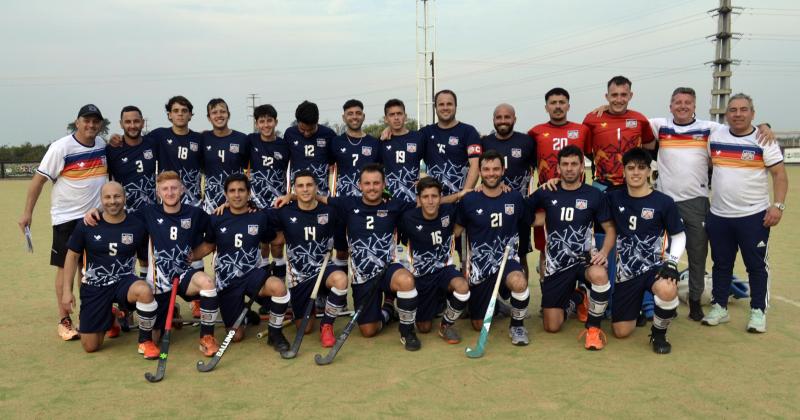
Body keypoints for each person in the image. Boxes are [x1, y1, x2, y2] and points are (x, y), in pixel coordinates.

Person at [647, 87, 774, 321]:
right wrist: (604, 111)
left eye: (688, 102)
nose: (682, 106)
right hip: (664, 201)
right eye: (678, 102)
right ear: (670, 105)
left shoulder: (710, 129)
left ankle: (695, 301)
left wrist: (765, 126)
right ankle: (664, 300)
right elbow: (630, 121)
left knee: (698, 254)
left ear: (695, 106)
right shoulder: (660, 126)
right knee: (661, 254)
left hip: (696, 202)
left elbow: (742, 127)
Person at [279, 163, 421, 350]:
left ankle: (407, 331)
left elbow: (426, 203)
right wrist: (292, 196)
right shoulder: (347, 204)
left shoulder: (395, 205)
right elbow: (316, 197)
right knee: (369, 330)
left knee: (406, 280)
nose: (372, 187)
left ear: (384, 184)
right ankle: (387, 310)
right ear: (359, 185)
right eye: (367, 183)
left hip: (387, 268)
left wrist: (459, 194)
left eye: (376, 183)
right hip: (362, 276)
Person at [85, 171, 221, 356]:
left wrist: (196, 255)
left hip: (183, 275)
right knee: (155, 337)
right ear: (158, 192)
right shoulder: (147, 213)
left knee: (207, 283)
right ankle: (165, 315)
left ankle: (206, 338)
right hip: (159, 282)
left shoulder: (195, 213)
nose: (170, 192)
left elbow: (213, 237)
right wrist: (97, 210)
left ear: (182, 189)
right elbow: (118, 214)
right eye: (165, 189)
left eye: (174, 188)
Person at [19, 104, 108, 340]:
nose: (90, 125)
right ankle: (64, 320)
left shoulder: (101, 145)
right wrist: (27, 213)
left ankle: (88, 317)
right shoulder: (61, 148)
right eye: (86, 121)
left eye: (95, 121)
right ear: (77, 122)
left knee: (88, 270)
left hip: (95, 217)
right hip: (67, 218)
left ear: (100, 124)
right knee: (66, 268)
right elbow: (37, 183)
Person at [701, 93, 788, 333]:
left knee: (756, 266)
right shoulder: (715, 136)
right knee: (721, 264)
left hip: (753, 216)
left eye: (743, 109)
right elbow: (710, 164)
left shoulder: (763, 139)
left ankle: (758, 312)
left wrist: (778, 206)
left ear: (752, 113)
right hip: (719, 215)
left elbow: (780, 175)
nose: (738, 114)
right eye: (733, 110)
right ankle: (719, 307)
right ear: (726, 114)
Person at [527, 146, 615, 350]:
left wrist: (604, 252)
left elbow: (610, 229)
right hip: (557, 264)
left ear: (581, 167)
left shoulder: (594, 195)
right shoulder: (547, 192)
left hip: (583, 260)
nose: (569, 168)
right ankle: (577, 298)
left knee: (600, 275)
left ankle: (593, 329)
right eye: (565, 164)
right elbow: (526, 213)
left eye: (574, 164)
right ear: (558, 167)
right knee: (551, 326)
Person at [191, 174, 290, 350]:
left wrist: (297, 233)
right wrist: (187, 257)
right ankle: (245, 314)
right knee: (236, 336)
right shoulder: (216, 218)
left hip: (253, 275)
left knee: (279, 288)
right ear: (226, 194)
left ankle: (275, 334)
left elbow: (275, 239)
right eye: (232, 191)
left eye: (241, 190)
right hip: (227, 281)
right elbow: (208, 246)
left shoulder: (259, 217)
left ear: (249, 193)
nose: (237, 195)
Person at [61, 182, 159, 358]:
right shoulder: (87, 223)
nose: (112, 201)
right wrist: (67, 291)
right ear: (101, 200)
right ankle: (110, 316)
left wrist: (151, 285)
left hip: (124, 282)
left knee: (144, 291)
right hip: (95, 286)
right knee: (91, 346)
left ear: (125, 198)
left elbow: (146, 258)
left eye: (117, 196)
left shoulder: (137, 224)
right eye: (107, 197)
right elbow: (72, 256)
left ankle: (145, 341)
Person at [606, 148, 685, 354]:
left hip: (654, 268)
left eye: (641, 168)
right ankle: (637, 310)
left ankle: (659, 334)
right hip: (627, 273)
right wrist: (552, 185)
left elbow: (678, 235)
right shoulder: (613, 198)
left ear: (649, 171)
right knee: (621, 331)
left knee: (667, 289)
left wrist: (672, 262)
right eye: (630, 168)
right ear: (623, 171)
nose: (635, 173)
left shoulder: (663, 201)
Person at [454, 150, 531, 346]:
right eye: (486, 169)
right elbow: (455, 231)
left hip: (506, 259)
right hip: (480, 266)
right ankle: (495, 304)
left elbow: (529, 221)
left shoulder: (514, 197)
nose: (491, 173)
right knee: (478, 324)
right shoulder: (469, 200)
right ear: (479, 171)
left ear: (503, 170)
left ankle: (517, 326)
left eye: (496, 169)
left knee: (519, 282)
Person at [269, 170, 348, 347]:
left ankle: (327, 325)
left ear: (316, 188)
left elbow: (353, 207)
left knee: (341, 279)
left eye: (309, 185)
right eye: (300, 186)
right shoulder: (284, 212)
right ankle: (308, 309)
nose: (305, 190)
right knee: (304, 328)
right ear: (294, 189)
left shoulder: (330, 212)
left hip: (323, 270)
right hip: (300, 277)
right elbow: (256, 217)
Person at [528, 88, 592, 282]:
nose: (557, 106)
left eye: (562, 102)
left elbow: (591, 155)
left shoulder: (582, 130)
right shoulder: (536, 132)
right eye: (553, 103)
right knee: (546, 246)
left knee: (578, 244)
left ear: (568, 106)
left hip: (577, 198)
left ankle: (578, 294)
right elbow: (530, 163)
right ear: (546, 107)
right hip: (547, 198)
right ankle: (547, 289)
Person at [399, 177, 470, 343]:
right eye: (425, 197)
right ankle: (433, 301)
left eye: (434, 196)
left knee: (462, 287)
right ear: (418, 199)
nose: (430, 201)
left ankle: (446, 325)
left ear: (441, 198)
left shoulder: (449, 211)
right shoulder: (408, 218)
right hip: (421, 275)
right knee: (423, 328)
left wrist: (463, 193)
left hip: (443, 269)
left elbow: (473, 201)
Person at [482, 103, 536, 270]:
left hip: (519, 209)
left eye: (507, 117)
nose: (503, 120)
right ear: (493, 120)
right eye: (499, 117)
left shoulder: (527, 141)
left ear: (514, 119)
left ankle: (521, 296)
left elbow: (537, 169)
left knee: (520, 256)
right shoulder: (485, 142)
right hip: (491, 207)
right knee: (491, 253)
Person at [106, 105, 158, 277]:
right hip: (124, 213)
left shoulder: (152, 142)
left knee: (146, 256)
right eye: (127, 122)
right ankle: (123, 297)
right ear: (121, 124)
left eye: (136, 121)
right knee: (124, 255)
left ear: (142, 123)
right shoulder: (112, 149)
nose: (132, 125)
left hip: (150, 212)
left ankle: (147, 294)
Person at [422, 89, 482, 196]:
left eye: (449, 104)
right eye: (441, 104)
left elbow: (475, 164)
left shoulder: (468, 131)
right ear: (435, 108)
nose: (445, 108)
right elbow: (405, 141)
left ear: (456, 106)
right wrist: (390, 129)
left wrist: (464, 194)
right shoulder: (426, 132)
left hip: (459, 200)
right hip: (433, 202)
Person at [147, 96, 205, 207]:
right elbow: (137, 142)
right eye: (176, 111)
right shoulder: (159, 135)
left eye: (184, 111)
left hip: (193, 200)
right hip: (168, 198)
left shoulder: (200, 139)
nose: (180, 114)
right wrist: (118, 139)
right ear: (169, 115)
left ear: (190, 115)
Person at [201, 98, 250, 214]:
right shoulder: (202, 139)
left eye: (222, 111)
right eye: (214, 112)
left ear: (228, 115)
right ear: (209, 117)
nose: (219, 115)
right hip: (211, 201)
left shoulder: (242, 139)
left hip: (237, 200)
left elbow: (249, 170)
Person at [284, 100, 337, 196]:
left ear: (317, 120)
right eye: (302, 130)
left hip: (321, 194)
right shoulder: (289, 134)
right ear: (297, 122)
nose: (307, 133)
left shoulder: (329, 135)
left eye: (311, 129)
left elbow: (332, 161)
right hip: (297, 194)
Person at [331, 99, 380, 198]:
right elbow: (330, 171)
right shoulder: (335, 142)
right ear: (344, 118)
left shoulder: (374, 143)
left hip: (369, 199)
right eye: (350, 114)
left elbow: (382, 172)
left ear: (363, 116)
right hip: (343, 200)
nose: (354, 117)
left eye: (358, 113)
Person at [380, 99, 425, 204]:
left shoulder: (418, 138)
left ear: (405, 116)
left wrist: (425, 180)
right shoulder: (382, 141)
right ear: (386, 119)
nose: (396, 118)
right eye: (391, 115)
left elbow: (433, 161)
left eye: (399, 114)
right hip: (388, 197)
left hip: (413, 198)